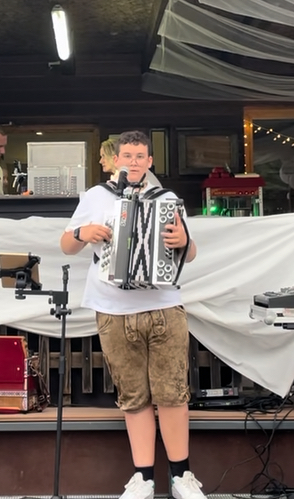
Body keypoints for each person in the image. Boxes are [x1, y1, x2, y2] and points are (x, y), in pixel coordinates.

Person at [60, 130, 202, 499]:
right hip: (113, 308)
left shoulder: (166, 199)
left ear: (150, 161)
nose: (134, 162)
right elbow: (66, 245)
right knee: (133, 395)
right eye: (127, 155)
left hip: (163, 305)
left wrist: (184, 242)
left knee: (173, 393)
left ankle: (182, 477)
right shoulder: (96, 197)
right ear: (116, 159)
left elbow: (189, 254)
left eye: (140, 156)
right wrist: (83, 232)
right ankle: (143, 478)